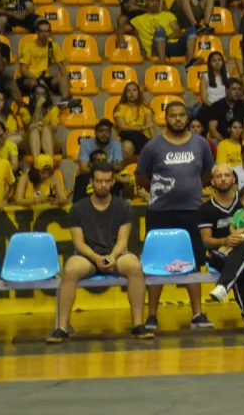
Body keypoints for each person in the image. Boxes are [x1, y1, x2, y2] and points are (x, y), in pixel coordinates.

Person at [47, 165, 151, 342]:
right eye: (99, 181)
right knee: (70, 269)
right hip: (88, 257)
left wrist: (112, 257)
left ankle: (138, 325)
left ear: (112, 182)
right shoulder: (78, 208)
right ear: (91, 182)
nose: (103, 185)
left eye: (107, 181)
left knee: (134, 266)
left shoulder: (123, 207)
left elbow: (122, 241)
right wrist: (96, 258)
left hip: (115, 255)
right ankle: (62, 328)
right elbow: (79, 243)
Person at [136, 100, 216, 330]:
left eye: (182, 115)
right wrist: (163, 189)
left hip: (192, 210)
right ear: (166, 118)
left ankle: (197, 313)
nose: (178, 119)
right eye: (173, 115)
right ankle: (152, 315)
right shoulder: (153, 146)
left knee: (193, 262)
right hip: (160, 211)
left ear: (187, 118)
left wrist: (189, 188)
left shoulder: (201, 144)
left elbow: (207, 173)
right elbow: (141, 176)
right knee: (155, 262)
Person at [199, 164, 244, 333]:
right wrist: (226, 240)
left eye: (227, 175)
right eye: (219, 176)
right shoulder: (206, 209)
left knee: (243, 249)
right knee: (237, 265)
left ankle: (223, 286)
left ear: (233, 179)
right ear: (213, 181)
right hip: (220, 254)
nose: (223, 179)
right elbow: (206, 241)